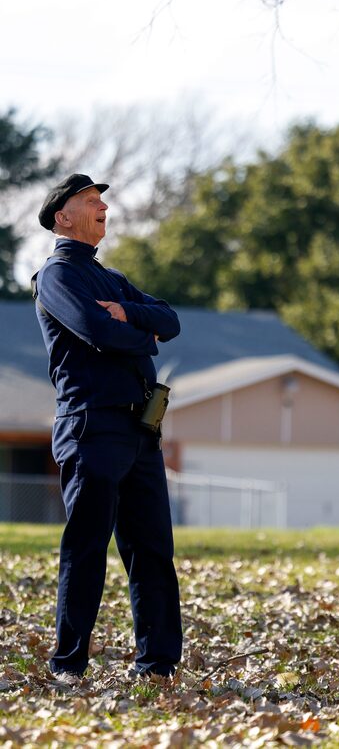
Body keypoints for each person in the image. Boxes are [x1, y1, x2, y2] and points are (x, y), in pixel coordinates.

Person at [33, 174, 183, 682]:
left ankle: (157, 665)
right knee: (87, 545)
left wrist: (132, 316)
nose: (104, 208)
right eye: (91, 202)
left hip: (141, 431)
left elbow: (170, 318)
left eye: (103, 202)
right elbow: (98, 333)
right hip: (91, 426)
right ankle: (68, 666)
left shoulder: (113, 279)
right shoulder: (55, 276)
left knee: (153, 551)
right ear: (63, 217)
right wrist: (144, 334)